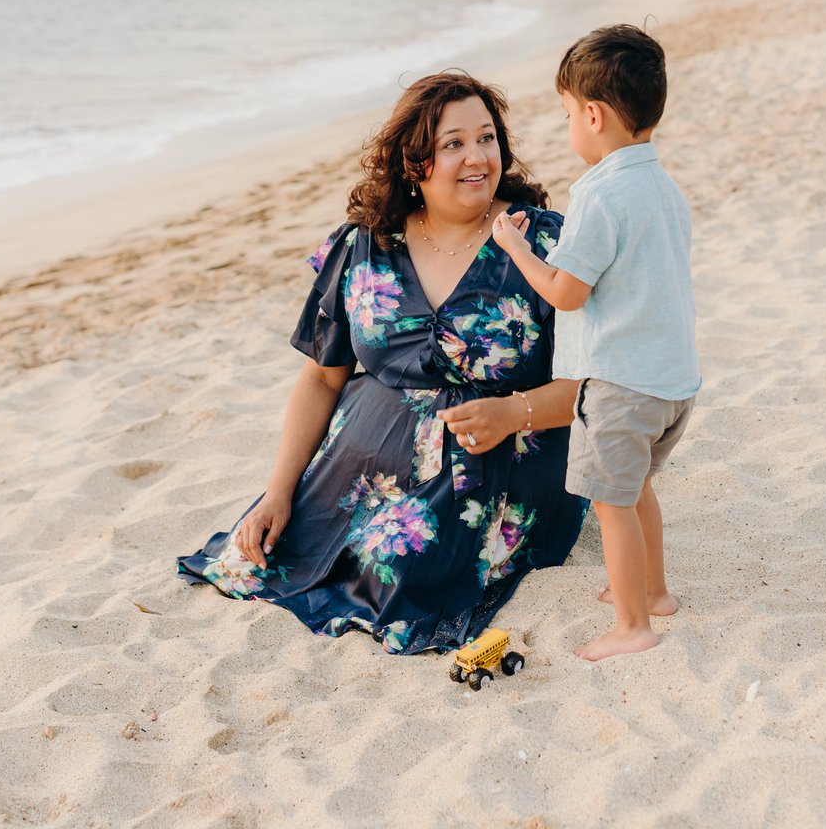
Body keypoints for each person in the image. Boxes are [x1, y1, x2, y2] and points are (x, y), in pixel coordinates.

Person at [177, 72, 586, 654]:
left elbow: (595, 385)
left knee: (398, 571)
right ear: (414, 161)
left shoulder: (542, 243)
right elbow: (321, 377)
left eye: (487, 138)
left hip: (497, 460)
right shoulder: (364, 245)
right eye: (453, 144)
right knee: (260, 554)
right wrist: (277, 491)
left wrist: (512, 413)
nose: (478, 157)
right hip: (356, 467)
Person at [491, 24, 699, 660]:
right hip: (673, 384)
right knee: (637, 491)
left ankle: (634, 625)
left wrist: (517, 249)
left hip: (620, 384)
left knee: (611, 504)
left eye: (565, 117)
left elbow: (565, 292)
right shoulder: (664, 188)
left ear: (593, 114)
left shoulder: (599, 194)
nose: (568, 131)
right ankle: (655, 591)